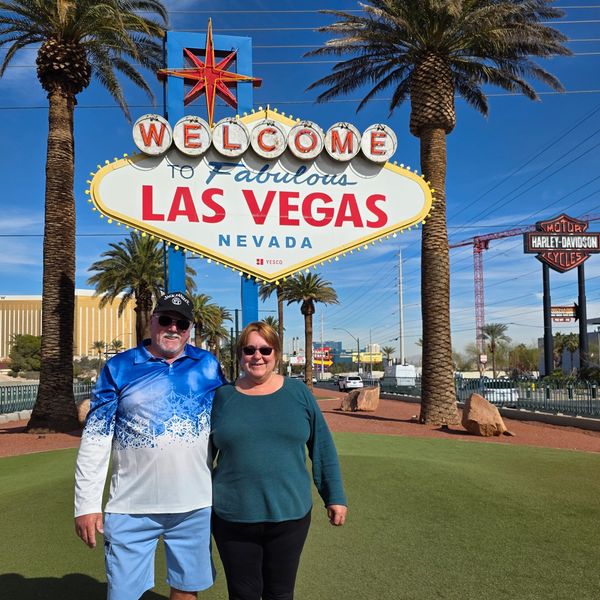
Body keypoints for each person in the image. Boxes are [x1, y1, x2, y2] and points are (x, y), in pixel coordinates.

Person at [74, 291, 226, 600]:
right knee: (123, 594)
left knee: (186, 590)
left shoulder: (207, 365)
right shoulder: (119, 368)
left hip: (194, 504)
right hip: (130, 506)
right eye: (166, 320)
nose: (173, 328)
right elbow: (96, 437)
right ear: (152, 321)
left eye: (181, 323)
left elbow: (230, 420)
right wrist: (87, 504)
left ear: (190, 329)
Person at [210, 321, 348, 600]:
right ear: (240, 355)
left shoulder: (298, 394)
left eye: (265, 349)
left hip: (290, 515)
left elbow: (322, 446)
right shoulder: (221, 397)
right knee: (242, 594)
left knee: (280, 593)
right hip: (233, 515)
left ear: (277, 353)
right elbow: (200, 455)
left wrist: (334, 496)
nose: (257, 356)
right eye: (249, 350)